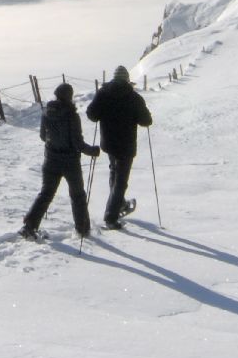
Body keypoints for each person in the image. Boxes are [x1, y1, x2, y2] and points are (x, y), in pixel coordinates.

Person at [20, 82, 100, 239]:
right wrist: (92, 151)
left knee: (46, 193)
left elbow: (43, 136)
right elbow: (77, 143)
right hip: (70, 162)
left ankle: (29, 226)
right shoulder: (72, 115)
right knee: (77, 195)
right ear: (70, 96)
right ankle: (82, 229)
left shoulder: (46, 112)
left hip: (50, 160)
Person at [85, 64, 153, 230]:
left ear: (113, 78)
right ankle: (111, 216)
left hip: (108, 143)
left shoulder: (103, 94)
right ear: (127, 80)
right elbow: (146, 121)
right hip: (126, 144)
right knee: (121, 181)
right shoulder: (134, 97)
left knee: (114, 173)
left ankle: (119, 203)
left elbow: (91, 115)